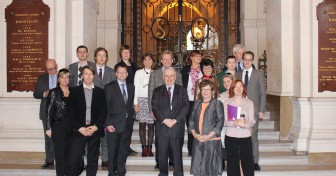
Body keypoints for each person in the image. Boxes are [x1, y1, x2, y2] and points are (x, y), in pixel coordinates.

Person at [67, 65, 107, 176]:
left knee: (92, 160)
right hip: (79, 130)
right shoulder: (74, 91)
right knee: (74, 159)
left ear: (93, 75)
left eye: (90, 74)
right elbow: (71, 112)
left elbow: (103, 112)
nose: (88, 76)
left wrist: (96, 127)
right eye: (86, 74)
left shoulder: (100, 92)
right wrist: (79, 128)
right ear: (82, 76)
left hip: (94, 130)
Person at [148, 50, 183, 170]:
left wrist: (176, 116)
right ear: (161, 60)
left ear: (172, 60)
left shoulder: (177, 74)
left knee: (174, 140)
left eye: (169, 59)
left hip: (174, 114)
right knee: (160, 140)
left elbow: (179, 93)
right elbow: (150, 91)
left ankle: (173, 161)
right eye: (165, 59)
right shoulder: (155, 73)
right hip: (159, 113)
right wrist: (151, 110)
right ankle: (160, 162)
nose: (167, 61)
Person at [151, 67, 189, 176]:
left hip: (176, 127)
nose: (169, 78)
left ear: (175, 77)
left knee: (177, 155)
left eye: (172, 75)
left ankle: (178, 174)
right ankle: (163, 174)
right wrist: (164, 120)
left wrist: (175, 120)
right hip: (162, 127)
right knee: (162, 155)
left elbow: (185, 107)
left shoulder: (182, 90)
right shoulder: (157, 91)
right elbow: (154, 107)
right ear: (163, 77)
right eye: (166, 76)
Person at [236, 51, 266, 171]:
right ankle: (242, 159)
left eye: (249, 59)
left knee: (253, 136)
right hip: (240, 110)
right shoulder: (238, 74)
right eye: (245, 59)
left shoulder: (259, 74)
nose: (247, 61)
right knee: (240, 136)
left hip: (254, 110)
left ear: (252, 61)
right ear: (242, 60)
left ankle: (254, 161)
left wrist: (261, 110)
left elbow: (263, 94)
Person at [189, 79, 224, 176]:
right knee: (198, 168)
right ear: (200, 91)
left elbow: (220, 121)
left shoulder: (217, 103)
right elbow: (191, 120)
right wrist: (195, 134)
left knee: (210, 169)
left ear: (212, 91)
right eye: (203, 89)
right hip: (198, 139)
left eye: (208, 89)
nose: (206, 92)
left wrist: (208, 136)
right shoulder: (197, 103)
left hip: (212, 140)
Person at [105, 64, 135, 176]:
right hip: (113, 124)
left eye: (124, 72)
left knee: (123, 151)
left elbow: (129, 104)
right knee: (113, 151)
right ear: (116, 74)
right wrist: (107, 123)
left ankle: (121, 172)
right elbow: (105, 106)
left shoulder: (131, 87)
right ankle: (112, 173)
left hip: (127, 124)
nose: (122, 74)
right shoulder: (109, 87)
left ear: (127, 74)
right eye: (120, 72)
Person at [224, 80, 255, 176]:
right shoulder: (227, 102)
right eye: (236, 87)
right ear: (232, 89)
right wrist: (233, 123)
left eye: (240, 86)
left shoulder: (249, 103)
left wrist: (244, 125)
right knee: (232, 163)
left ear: (243, 88)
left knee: (247, 162)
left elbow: (251, 122)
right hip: (231, 135)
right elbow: (224, 121)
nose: (238, 89)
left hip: (245, 135)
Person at [92, 47, 116, 168]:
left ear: (106, 58)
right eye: (99, 55)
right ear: (95, 57)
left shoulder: (112, 72)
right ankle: (92, 160)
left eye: (104, 55)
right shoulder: (89, 71)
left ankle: (105, 159)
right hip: (92, 108)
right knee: (93, 136)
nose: (101, 58)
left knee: (105, 136)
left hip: (107, 109)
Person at [45, 68, 71, 176]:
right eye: (62, 77)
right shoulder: (53, 92)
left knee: (70, 154)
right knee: (60, 154)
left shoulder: (74, 91)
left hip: (72, 127)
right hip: (58, 126)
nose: (64, 79)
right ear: (58, 79)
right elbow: (48, 111)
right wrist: (48, 128)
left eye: (67, 77)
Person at [114, 44, 138, 156]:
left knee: (129, 124)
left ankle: (127, 146)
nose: (126, 54)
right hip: (122, 96)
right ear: (121, 54)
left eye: (128, 52)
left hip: (131, 95)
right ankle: (121, 146)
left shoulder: (134, 66)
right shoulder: (118, 66)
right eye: (124, 52)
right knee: (122, 123)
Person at [33, 59, 57, 169]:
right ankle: (49, 160)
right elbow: (36, 94)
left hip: (60, 113)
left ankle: (62, 159)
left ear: (56, 66)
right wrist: (44, 93)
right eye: (48, 69)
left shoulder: (63, 76)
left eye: (52, 69)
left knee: (61, 137)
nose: (51, 71)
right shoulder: (41, 78)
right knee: (48, 137)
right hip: (45, 113)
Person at [181, 50, 203, 156]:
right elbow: (181, 85)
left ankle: (199, 147)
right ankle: (190, 148)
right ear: (191, 58)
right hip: (188, 101)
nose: (198, 57)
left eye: (200, 56)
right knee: (190, 124)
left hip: (200, 101)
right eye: (196, 56)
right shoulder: (185, 70)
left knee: (200, 125)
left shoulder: (203, 69)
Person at [134, 53, 155, 157]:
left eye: (149, 59)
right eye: (145, 59)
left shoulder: (155, 73)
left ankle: (150, 147)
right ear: (143, 62)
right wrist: (135, 103)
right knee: (142, 125)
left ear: (152, 61)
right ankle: (143, 147)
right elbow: (136, 88)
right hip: (141, 100)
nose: (147, 61)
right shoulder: (138, 72)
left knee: (151, 125)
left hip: (152, 101)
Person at [218, 72, 235, 171]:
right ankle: (224, 163)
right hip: (224, 125)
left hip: (235, 125)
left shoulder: (240, 95)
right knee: (223, 143)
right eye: (224, 82)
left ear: (233, 81)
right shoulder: (220, 96)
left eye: (228, 81)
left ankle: (232, 164)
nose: (226, 84)